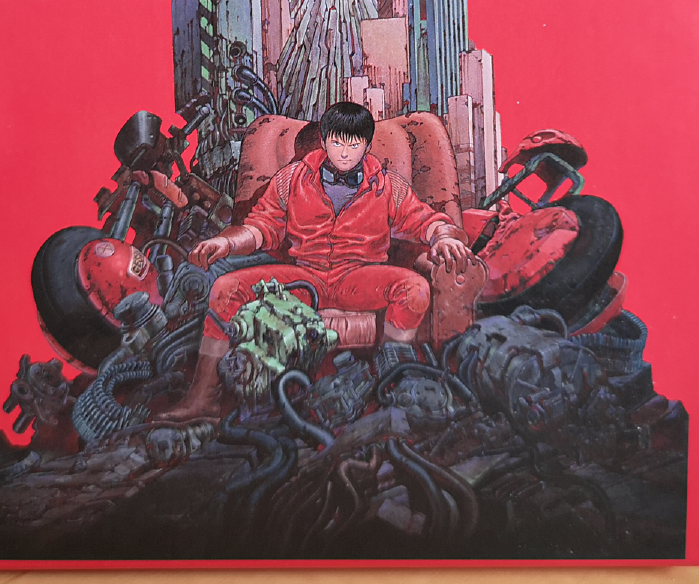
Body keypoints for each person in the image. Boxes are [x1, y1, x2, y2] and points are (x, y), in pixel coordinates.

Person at [161, 101, 473, 420]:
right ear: (324, 141)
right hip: (303, 278)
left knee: (415, 289)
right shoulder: (291, 179)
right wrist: (226, 242)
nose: (345, 153)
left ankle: (393, 382)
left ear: (367, 146)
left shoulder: (388, 186)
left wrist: (444, 236)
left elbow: (423, 220)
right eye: (337, 143)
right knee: (224, 287)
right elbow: (259, 228)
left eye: (354, 145)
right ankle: (203, 396)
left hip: (359, 279)